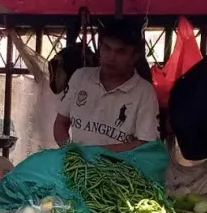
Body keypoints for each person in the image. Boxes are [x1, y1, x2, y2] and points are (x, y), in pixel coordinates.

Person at [53, 20, 160, 151]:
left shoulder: (144, 92)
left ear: (135, 57)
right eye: (106, 48)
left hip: (119, 168)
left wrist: (98, 155)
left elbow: (144, 144)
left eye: (121, 52)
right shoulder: (80, 77)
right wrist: (70, 152)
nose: (111, 57)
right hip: (78, 167)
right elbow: (61, 122)